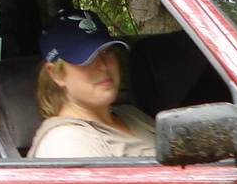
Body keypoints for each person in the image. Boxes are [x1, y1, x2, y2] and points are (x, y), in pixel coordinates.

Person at [29, 9, 156, 158]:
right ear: (56, 73)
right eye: (85, 57)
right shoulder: (66, 142)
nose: (103, 65)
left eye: (106, 51)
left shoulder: (131, 114)